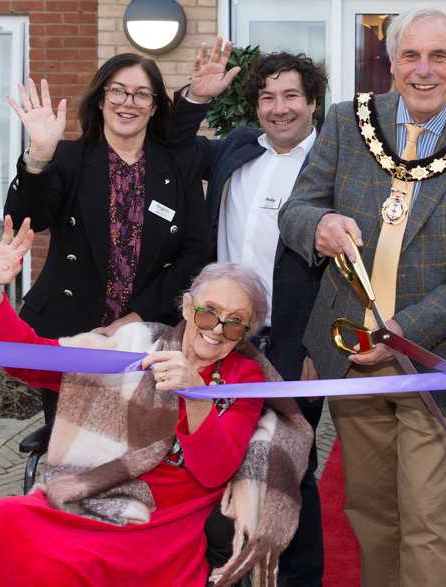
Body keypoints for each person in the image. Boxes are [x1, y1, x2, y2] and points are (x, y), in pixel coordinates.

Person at [278, 7, 446, 586]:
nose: (424, 70)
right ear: (390, 63)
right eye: (411, 55)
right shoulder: (346, 122)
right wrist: (320, 225)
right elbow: (295, 211)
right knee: (369, 514)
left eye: (439, 56)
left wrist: (399, 333)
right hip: (350, 355)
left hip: (430, 361)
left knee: (429, 522)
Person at [0, 216, 309, 587]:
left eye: (235, 322)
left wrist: (195, 396)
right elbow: (33, 361)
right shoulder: (137, 345)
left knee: (61, 569)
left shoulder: (244, 377)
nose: (217, 330)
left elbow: (215, 472)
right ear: (188, 308)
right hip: (98, 492)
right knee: (3, 521)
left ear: (246, 332)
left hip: (164, 522)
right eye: (208, 312)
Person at [170, 45, 330, 585]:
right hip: (219, 335)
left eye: (291, 96)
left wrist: (316, 348)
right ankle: (224, 569)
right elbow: (175, 147)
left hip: (290, 342)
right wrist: (194, 97)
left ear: (312, 102)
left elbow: (343, 270)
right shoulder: (236, 145)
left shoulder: (331, 162)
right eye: (267, 97)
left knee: (290, 468)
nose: (278, 108)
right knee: (216, 456)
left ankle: (299, 577)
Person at [4, 53, 210, 424]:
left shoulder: (179, 165)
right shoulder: (67, 158)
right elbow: (25, 220)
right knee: (70, 452)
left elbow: (196, 251)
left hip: (149, 336)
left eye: (141, 94)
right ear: (101, 99)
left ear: (154, 107)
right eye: (118, 91)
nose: (127, 102)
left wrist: (135, 318)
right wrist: (39, 155)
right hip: (73, 330)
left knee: (142, 447)